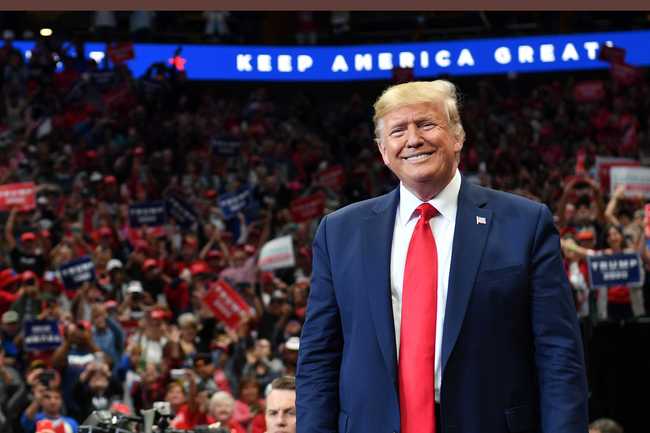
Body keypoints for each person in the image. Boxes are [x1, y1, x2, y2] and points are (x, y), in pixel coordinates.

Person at [297, 80, 588, 433]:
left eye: (426, 124)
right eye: (398, 131)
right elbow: (318, 358)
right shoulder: (339, 232)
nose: (413, 139)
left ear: (457, 136)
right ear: (383, 151)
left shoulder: (525, 223)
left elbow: (558, 354)